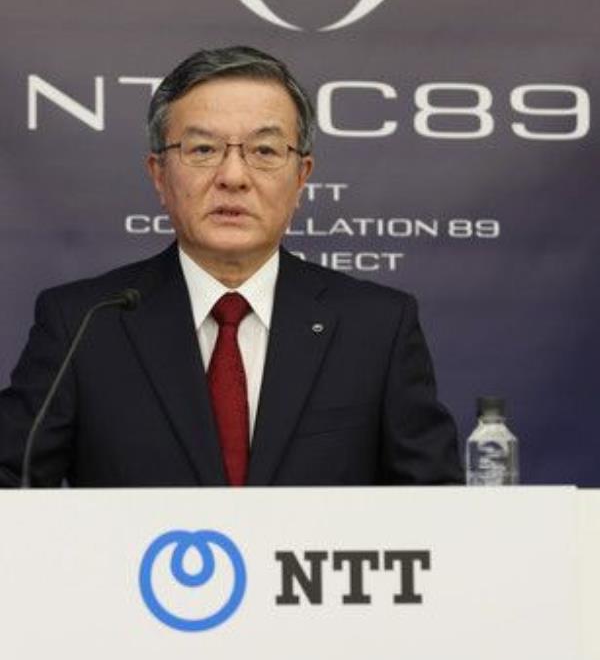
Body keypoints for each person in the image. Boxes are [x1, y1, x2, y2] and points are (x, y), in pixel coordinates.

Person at [0, 46, 462, 488]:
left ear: (301, 177)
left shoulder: (376, 326)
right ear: (159, 175)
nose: (233, 177)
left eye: (264, 151)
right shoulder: (84, 323)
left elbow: (435, 505)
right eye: (203, 150)